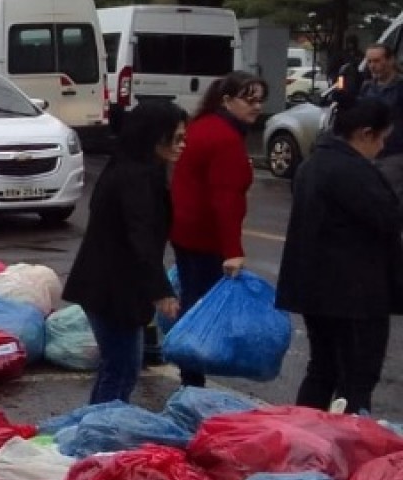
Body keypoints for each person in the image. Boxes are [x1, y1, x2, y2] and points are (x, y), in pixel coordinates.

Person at [276, 99, 403, 416]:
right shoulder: (351, 170)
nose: (383, 146)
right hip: (353, 295)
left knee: (322, 369)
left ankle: (305, 439)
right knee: (356, 377)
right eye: (382, 138)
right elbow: (387, 218)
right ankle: (347, 444)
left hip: (317, 290)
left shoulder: (314, 163)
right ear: (365, 133)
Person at [63, 101, 187, 406]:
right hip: (111, 288)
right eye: (177, 138)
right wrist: (161, 290)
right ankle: (99, 433)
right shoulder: (136, 177)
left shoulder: (135, 166)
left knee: (121, 368)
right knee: (120, 369)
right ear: (156, 136)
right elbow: (141, 237)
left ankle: (103, 430)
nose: (182, 145)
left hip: (115, 287)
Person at [170, 72, 265, 387]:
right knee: (200, 308)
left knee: (193, 301)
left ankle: (189, 375)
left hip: (184, 229)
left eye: (260, 100)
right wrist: (233, 252)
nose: (257, 107)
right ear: (227, 100)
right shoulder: (224, 138)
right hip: (203, 235)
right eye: (249, 100)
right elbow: (226, 199)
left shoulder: (205, 125)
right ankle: (191, 380)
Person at [355, 42, 403, 198]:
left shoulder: (400, 88)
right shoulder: (367, 88)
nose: (372, 66)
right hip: (367, 155)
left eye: (377, 61)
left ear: (390, 61)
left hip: (393, 156)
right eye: (369, 61)